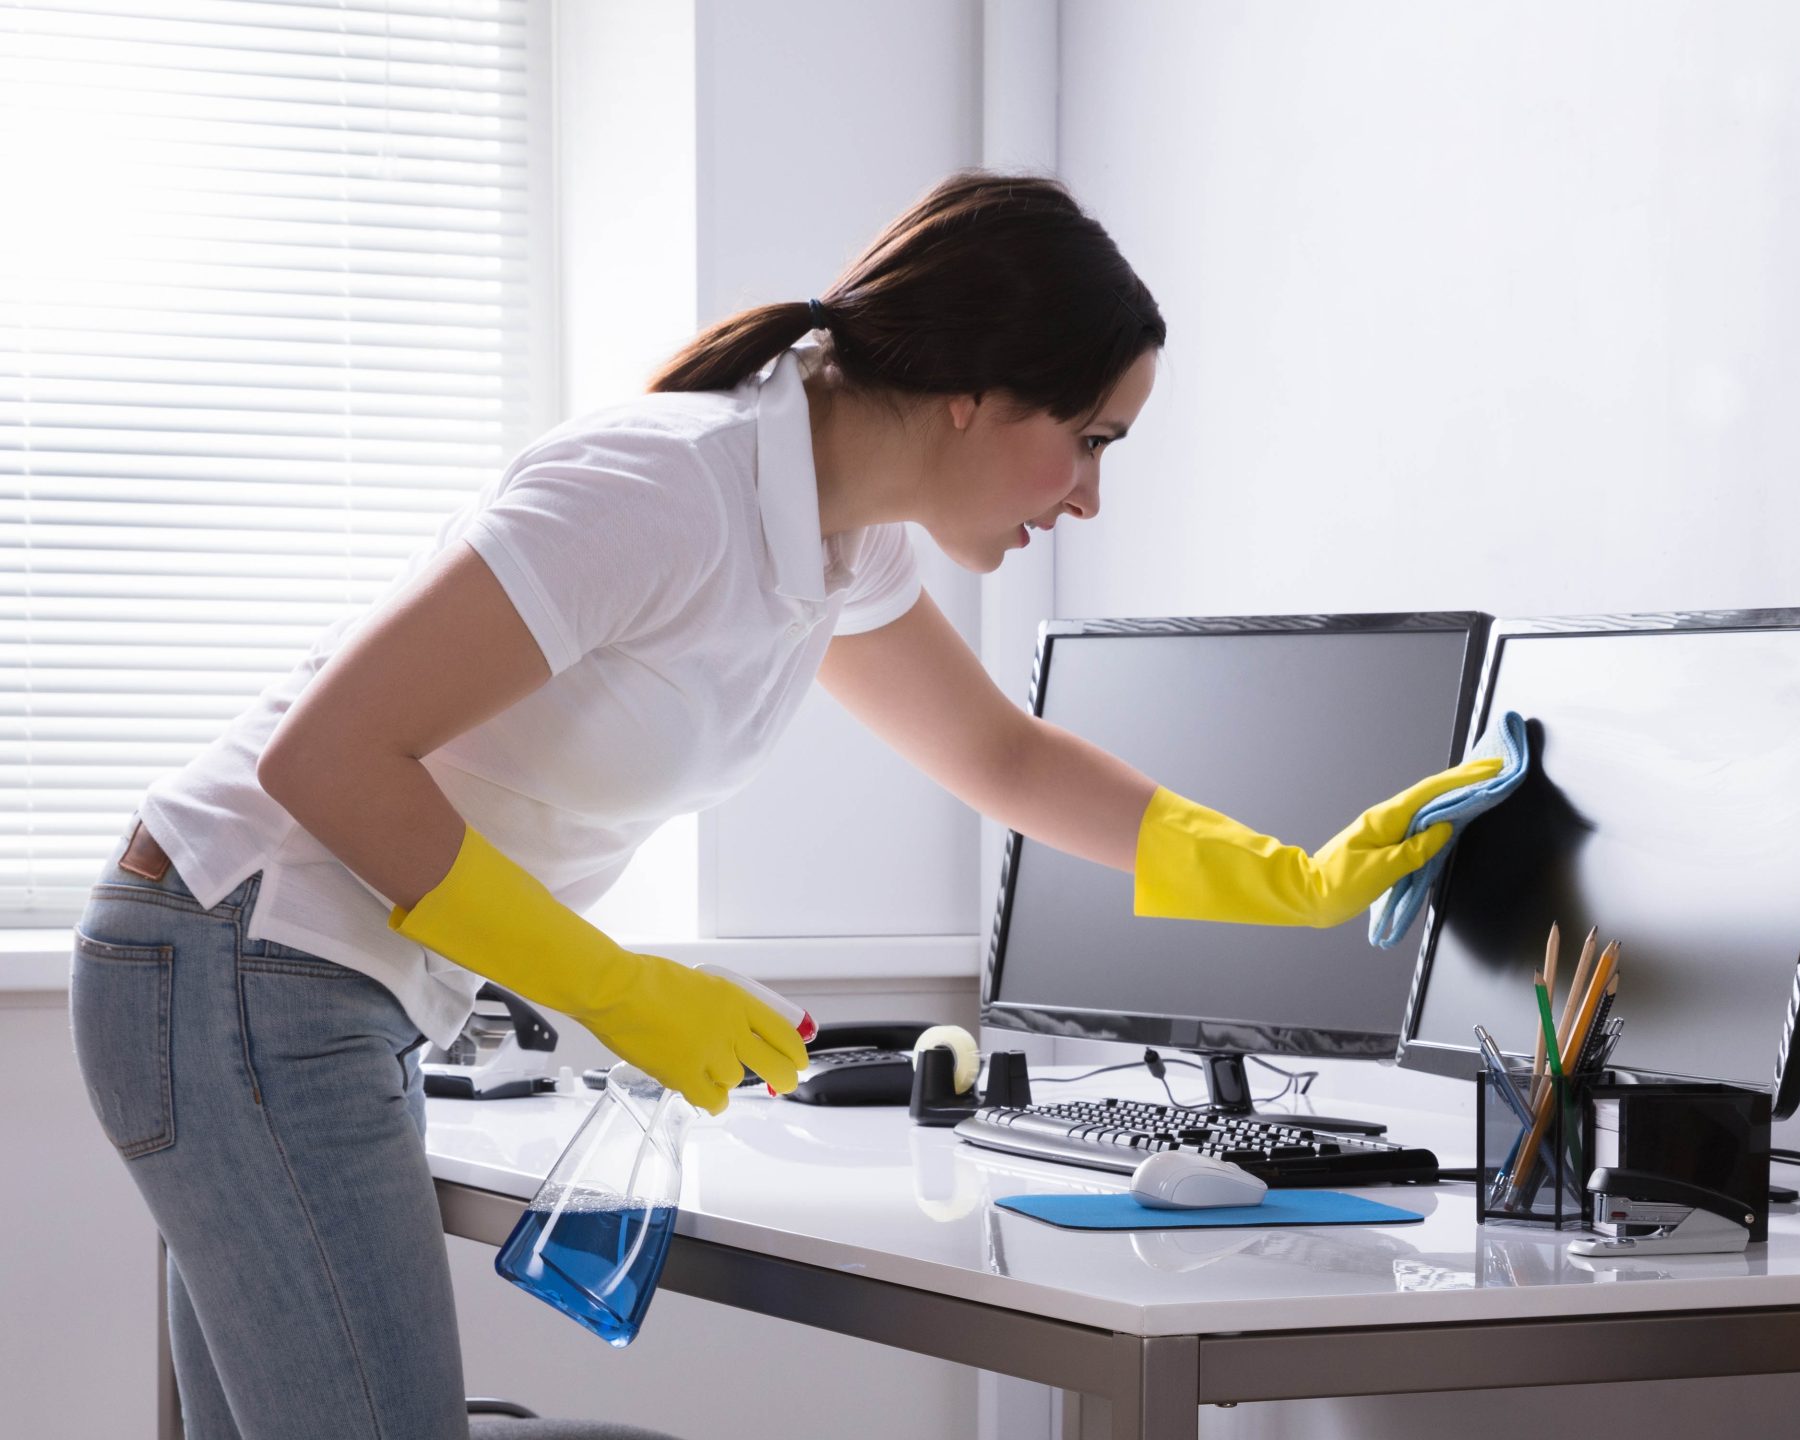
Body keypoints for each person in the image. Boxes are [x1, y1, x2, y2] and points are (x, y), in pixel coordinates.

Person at [64, 170, 1494, 1438]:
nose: (1091, 497)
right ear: (977, 394)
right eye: (1093, 438)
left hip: (294, 981)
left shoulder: (835, 546)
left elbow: (1003, 758)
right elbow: (323, 760)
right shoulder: (664, 489)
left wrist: (1286, 877)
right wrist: (611, 988)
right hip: (237, 955)